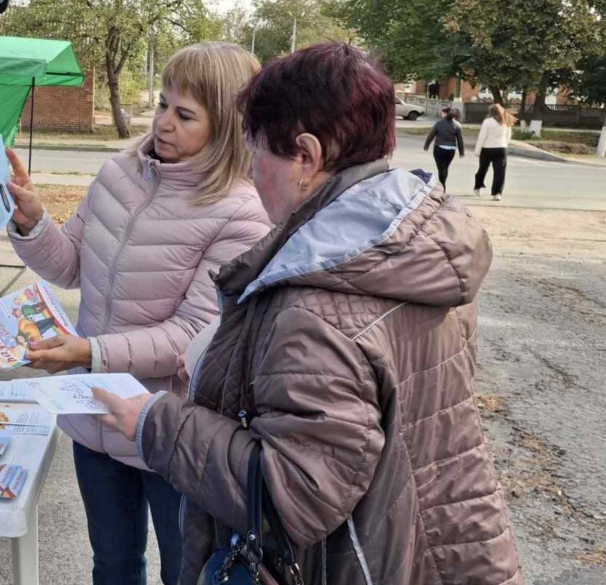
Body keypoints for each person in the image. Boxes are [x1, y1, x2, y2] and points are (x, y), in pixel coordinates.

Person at [95, 43, 523, 584]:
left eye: (257, 153)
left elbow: (295, 493)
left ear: (306, 155)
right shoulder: (408, 244)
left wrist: (157, 423)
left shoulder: (317, 303)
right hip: (441, 545)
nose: (250, 173)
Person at [4, 42, 272, 585]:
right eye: (163, 104)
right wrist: (34, 224)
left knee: (185, 571)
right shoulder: (118, 173)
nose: (164, 124)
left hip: (170, 431)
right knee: (113, 565)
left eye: (185, 114)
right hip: (94, 412)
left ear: (226, 126)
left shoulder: (242, 213)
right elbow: (72, 263)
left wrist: (91, 351)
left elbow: (193, 334)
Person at [475, 103, 515, 201]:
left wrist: (477, 150)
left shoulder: (487, 122)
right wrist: (504, 144)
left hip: (487, 149)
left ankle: (478, 187)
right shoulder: (506, 121)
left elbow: (482, 137)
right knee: (500, 172)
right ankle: (497, 193)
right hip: (501, 149)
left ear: (491, 113)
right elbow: (508, 137)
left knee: (483, 169)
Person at [424, 106, 465, 192]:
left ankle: (443, 186)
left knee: (441, 168)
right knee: (445, 168)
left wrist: (426, 145)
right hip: (451, 150)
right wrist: (461, 151)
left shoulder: (439, 123)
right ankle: (443, 185)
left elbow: (431, 135)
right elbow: (460, 140)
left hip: (439, 148)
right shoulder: (457, 125)